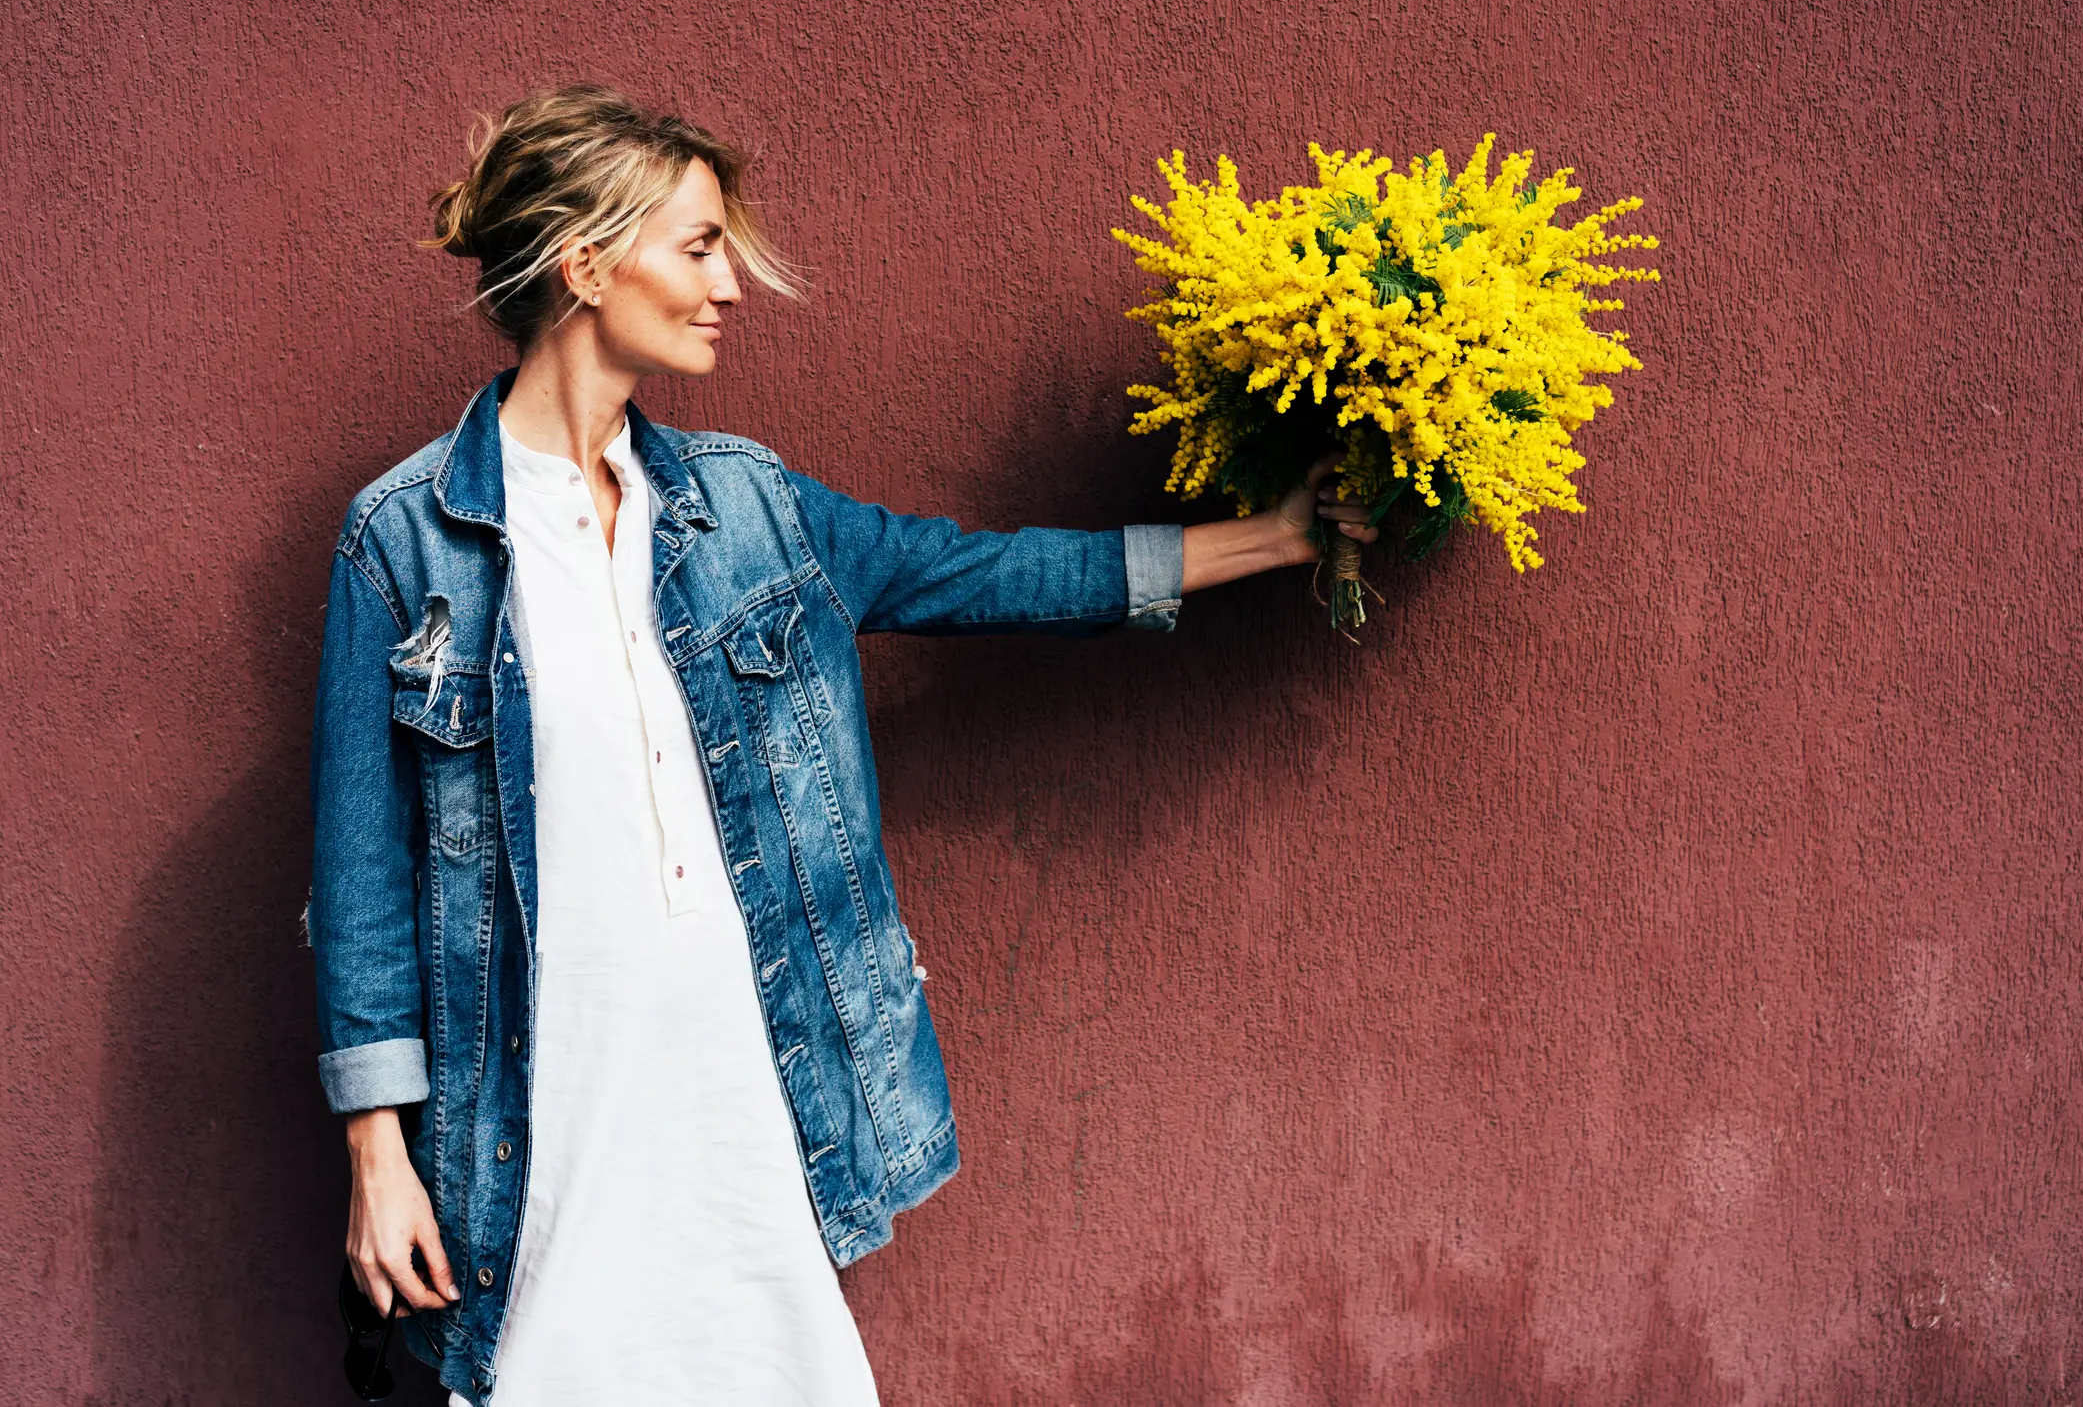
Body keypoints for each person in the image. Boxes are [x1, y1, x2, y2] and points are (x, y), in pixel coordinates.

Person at [309, 83, 1379, 1407]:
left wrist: (1274, 538)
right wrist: (379, 1151)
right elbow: (363, 879)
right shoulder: (402, 542)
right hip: (542, 1119)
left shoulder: (749, 507)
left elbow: (985, 574)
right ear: (586, 263)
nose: (729, 286)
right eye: (698, 247)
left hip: (746, 1083)